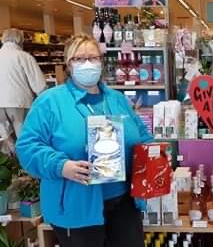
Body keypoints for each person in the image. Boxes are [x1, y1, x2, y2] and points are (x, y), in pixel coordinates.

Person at [16, 34, 151, 247]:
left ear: (101, 61)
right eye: (79, 59)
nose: (87, 63)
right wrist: (62, 166)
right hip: (76, 207)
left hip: (124, 204)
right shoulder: (50, 102)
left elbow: (142, 135)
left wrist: (155, 155)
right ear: (68, 65)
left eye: (93, 57)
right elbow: (27, 147)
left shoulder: (117, 100)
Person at [0, 28, 46, 154]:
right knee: (23, 135)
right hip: (19, 102)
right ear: (20, 39)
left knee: (5, 138)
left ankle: (11, 166)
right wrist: (44, 101)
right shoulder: (24, 57)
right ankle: (26, 166)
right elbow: (39, 85)